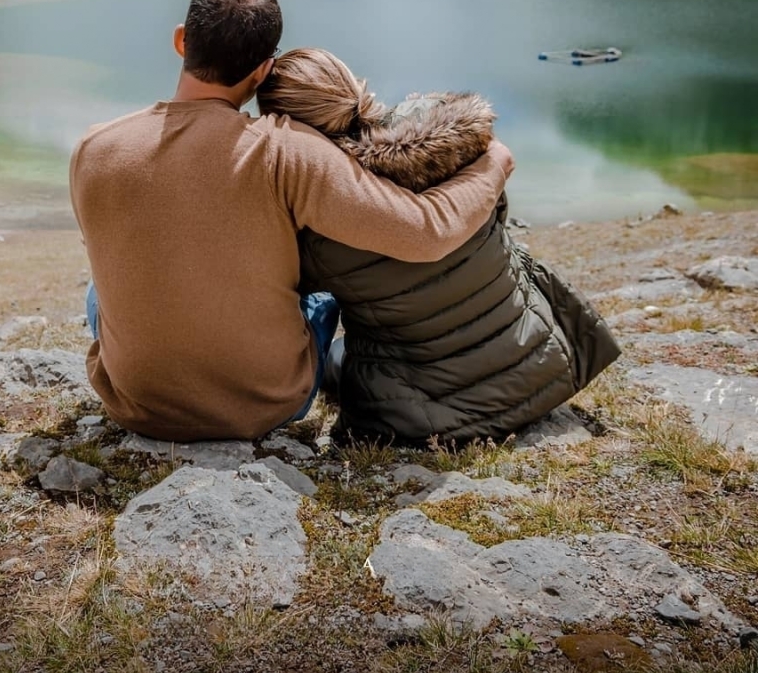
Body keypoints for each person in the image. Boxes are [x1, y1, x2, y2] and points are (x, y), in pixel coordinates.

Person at [69, 0, 514, 442]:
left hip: (134, 405)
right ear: (264, 70)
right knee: (318, 297)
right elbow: (426, 232)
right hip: (265, 404)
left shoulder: (94, 147)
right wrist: (494, 165)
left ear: (182, 40)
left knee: (99, 292)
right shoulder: (284, 149)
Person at [256, 47, 620, 444]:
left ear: (283, 125)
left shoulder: (315, 212)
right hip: (541, 365)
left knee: (328, 348)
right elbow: (498, 216)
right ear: (348, 83)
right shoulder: (452, 140)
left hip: (422, 414)